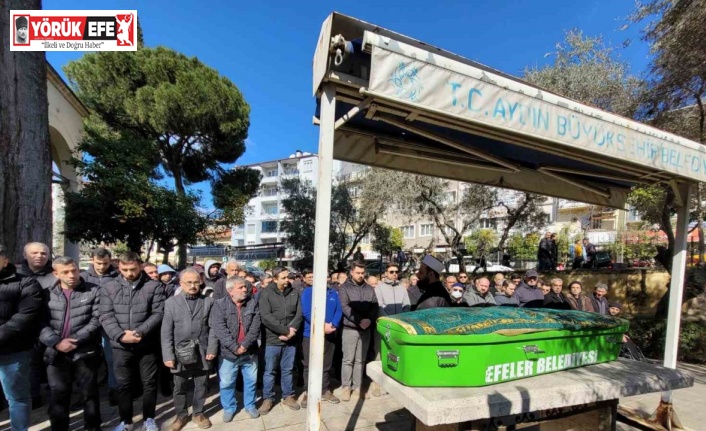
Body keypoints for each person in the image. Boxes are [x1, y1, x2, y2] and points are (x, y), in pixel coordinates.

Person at [100, 252, 166, 431]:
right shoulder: (109, 286)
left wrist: (140, 332)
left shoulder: (154, 286)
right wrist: (120, 335)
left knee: (149, 383)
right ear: (119, 267)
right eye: (124, 269)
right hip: (120, 345)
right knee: (123, 385)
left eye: (133, 269)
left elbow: (158, 313)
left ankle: (149, 419)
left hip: (146, 344)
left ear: (141, 266)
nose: (129, 273)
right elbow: (105, 315)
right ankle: (126, 421)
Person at [40, 257, 102, 431]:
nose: (71, 275)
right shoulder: (46, 293)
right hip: (56, 352)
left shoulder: (93, 291)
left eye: (74, 270)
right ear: (56, 273)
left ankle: (93, 427)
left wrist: (75, 340)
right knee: (58, 394)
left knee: (89, 394)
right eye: (65, 272)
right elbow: (39, 322)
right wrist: (56, 342)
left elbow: (97, 320)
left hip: (85, 351)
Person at [161, 269, 217, 431]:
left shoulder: (208, 302)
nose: (193, 286)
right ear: (181, 284)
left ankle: (198, 413)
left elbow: (213, 329)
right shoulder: (171, 303)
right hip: (179, 353)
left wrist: (212, 348)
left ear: (200, 282)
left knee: (201, 384)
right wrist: (168, 355)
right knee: (180, 387)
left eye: (196, 282)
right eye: (189, 283)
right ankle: (181, 415)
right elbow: (166, 331)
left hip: (202, 351)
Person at [0, 244, 42, 431]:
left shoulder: (26, 283)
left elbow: (26, 315)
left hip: (13, 351)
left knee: (17, 397)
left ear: (4, 260)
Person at [212, 277, 261, 422]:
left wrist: (245, 345)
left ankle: (250, 405)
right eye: (240, 287)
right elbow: (219, 328)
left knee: (251, 381)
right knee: (227, 383)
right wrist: (234, 347)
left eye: (245, 287)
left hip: (249, 351)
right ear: (230, 290)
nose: (245, 290)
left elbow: (255, 327)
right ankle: (229, 408)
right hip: (228, 353)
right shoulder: (220, 305)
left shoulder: (252, 303)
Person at [258, 267, 302, 414]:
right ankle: (268, 398)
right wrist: (284, 331)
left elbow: (299, 313)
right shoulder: (266, 293)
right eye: (283, 278)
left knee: (288, 369)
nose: (287, 280)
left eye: (288, 277)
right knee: (269, 371)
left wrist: (291, 331)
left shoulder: (294, 292)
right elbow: (266, 316)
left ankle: (288, 395)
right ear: (275, 279)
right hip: (272, 339)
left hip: (290, 339)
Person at [16, 242, 55, 409]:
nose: (39, 256)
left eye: (43, 253)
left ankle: (55, 398)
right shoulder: (15, 274)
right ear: (25, 255)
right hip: (22, 328)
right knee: (28, 365)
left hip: (51, 326)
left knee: (52, 363)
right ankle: (33, 397)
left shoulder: (56, 275)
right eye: (34, 253)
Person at [80, 247, 120, 405]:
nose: (102, 266)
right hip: (87, 323)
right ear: (92, 260)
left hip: (109, 324)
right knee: (86, 361)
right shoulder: (83, 277)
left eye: (105, 263)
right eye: (99, 263)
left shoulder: (117, 277)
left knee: (111, 359)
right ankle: (86, 394)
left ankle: (113, 390)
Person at [300, 270, 342, 407]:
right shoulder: (308, 292)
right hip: (310, 334)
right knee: (309, 364)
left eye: (327, 276)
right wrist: (320, 326)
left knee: (326, 364)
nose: (326, 279)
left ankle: (324, 390)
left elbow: (339, 310)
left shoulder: (333, 293)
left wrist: (333, 325)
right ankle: (308, 391)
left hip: (329, 334)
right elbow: (306, 311)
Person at [338, 261, 378, 401]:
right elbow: (345, 307)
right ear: (351, 272)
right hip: (351, 328)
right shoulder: (344, 288)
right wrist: (360, 320)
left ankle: (357, 387)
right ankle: (346, 387)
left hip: (366, 328)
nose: (361, 275)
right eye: (358, 273)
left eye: (362, 273)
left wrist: (369, 320)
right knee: (348, 359)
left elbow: (374, 305)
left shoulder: (369, 288)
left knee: (360, 360)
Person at [372, 263, 410, 396]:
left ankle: (391, 381)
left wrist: (401, 320)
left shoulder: (401, 288)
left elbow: (406, 304)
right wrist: (389, 321)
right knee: (379, 353)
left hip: (398, 326)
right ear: (386, 273)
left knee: (394, 353)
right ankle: (376, 383)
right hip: (385, 325)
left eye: (396, 272)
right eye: (391, 271)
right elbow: (379, 305)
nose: (394, 274)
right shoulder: (379, 287)